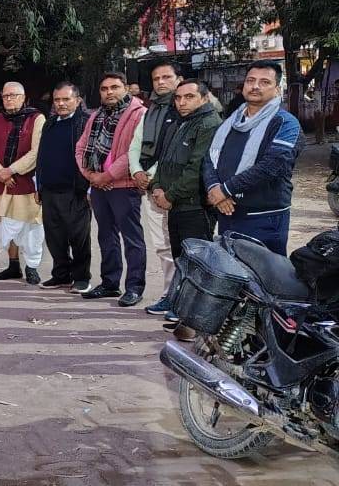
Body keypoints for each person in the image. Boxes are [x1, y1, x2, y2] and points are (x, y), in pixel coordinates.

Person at [145, 80, 222, 337]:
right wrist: (157, 186)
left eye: (189, 97)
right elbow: (164, 160)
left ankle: (195, 320)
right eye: (178, 98)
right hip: (176, 205)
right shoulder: (181, 122)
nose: (182, 102)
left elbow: (197, 169)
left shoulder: (209, 124)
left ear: (204, 98)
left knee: (197, 262)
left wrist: (170, 195)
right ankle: (181, 310)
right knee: (182, 259)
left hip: (194, 206)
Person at [203, 61, 302, 256]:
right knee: (230, 272)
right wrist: (214, 188)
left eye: (264, 82)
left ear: (277, 89)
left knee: (264, 274)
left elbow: (271, 166)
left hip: (263, 218)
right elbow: (209, 158)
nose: (255, 86)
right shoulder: (230, 122)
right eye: (250, 80)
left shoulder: (285, 123)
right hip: (227, 212)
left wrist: (225, 190)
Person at [75, 72, 148, 305]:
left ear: (125, 88)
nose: (109, 92)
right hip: (98, 187)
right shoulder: (96, 115)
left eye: (114, 87)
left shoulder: (139, 114)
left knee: (132, 239)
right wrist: (91, 175)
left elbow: (133, 151)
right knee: (106, 237)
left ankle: (134, 287)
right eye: (104, 89)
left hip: (124, 186)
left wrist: (107, 176)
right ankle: (109, 283)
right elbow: (81, 147)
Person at [0, 82, 46, 285]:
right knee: (8, 226)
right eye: (5, 96)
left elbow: (36, 152)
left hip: (27, 184)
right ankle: (13, 265)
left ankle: (32, 267)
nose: (9, 99)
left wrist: (11, 170)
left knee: (31, 227)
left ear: (23, 97)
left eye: (14, 95)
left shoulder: (37, 118)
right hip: (3, 184)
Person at [128, 62, 181, 307]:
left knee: (179, 246)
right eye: (156, 78)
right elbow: (135, 144)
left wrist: (149, 174)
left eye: (166, 77)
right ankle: (168, 294)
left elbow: (174, 150)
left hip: (175, 188)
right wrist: (137, 171)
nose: (161, 82)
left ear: (179, 79)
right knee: (161, 246)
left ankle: (180, 297)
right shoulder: (151, 110)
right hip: (149, 187)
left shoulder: (184, 109)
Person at [34, 82, 93, 294]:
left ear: (77, 100)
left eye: (66, 99)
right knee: (54, 237)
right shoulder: (50, 124)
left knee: (79, 237)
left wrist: (89, 188)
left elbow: (91, 156)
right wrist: (38, 185)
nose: (61, 104)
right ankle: (61, 275)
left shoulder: (86, 123)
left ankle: (82, 278)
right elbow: (42, 156)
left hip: (75, 190)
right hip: (49, 190)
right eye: (57, 100)